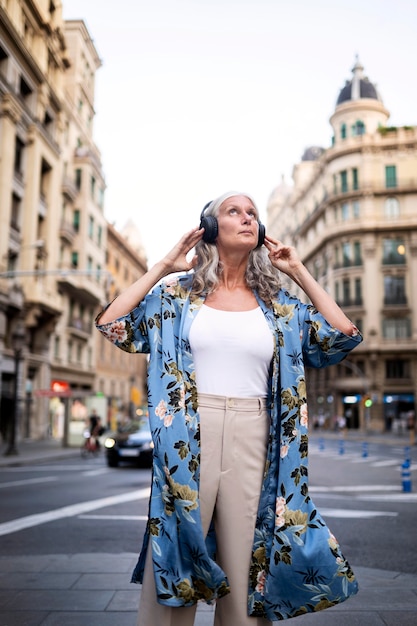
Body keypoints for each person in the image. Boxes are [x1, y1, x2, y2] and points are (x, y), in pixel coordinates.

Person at [96, 191, 363, 625]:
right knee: (178, 550)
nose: (247, 218)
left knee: (248, 562)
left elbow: (344, 335)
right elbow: (111, 323)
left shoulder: (280, 306)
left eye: (253, 213)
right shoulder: (174, 298)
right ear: (210, 228)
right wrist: (164, 265)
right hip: (187, 434)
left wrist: (298, 270)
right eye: (234, 211)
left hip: (256, 434)